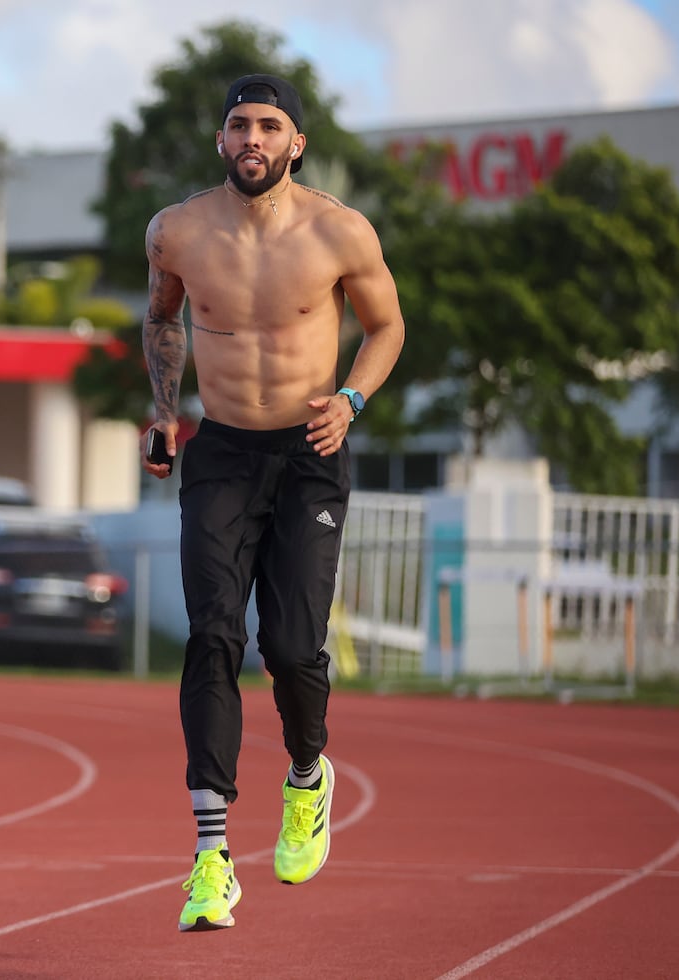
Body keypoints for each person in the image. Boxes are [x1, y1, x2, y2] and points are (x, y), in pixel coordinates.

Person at [141, 73, 406, 932]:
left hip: (309, 453)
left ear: (296, 144)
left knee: (291, 647)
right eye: (238, 125)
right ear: (221, 141)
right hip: (219, 451)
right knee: (213, 633)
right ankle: (210, 858)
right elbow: (162, 320)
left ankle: (306, 776)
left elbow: (387, 327)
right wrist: (161, 412)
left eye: (269, 126)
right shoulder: (177, 230)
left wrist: (352, 400)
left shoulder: (339, 231)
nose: (252, 138)